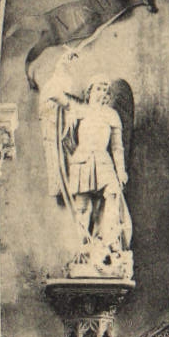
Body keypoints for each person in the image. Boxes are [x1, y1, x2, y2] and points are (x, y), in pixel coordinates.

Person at [46, 75, 131, 269]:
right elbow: (55, 95)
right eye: (99, 88)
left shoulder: (111, 115)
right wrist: (62, 69)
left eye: (105, 89)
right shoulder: (79, 110)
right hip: (82, 160)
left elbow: (117, 147)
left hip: (103, 160)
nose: (102, 93)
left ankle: (107, 240)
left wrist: (121, 170)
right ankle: (83, 247)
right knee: (82, 207)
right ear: (89, 91)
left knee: (113, 194)